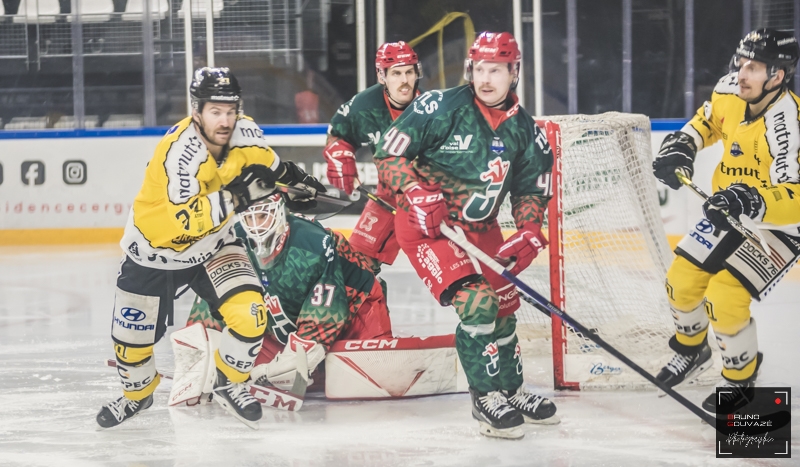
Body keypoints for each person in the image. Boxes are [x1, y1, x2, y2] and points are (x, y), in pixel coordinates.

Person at [96, 67, 325, 429]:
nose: (224, 120)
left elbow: (269, 163)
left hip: (213, 247)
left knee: (252, 316)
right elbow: (185, 221)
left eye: (230, 110)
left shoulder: (244, 131)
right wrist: (239, 195)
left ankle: (230, 382)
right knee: (130, 348)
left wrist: (301, 183)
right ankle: (137, 396)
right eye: (215, 111)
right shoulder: (180, 154)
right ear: (196, 111)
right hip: (153, 252)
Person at [372, 32, 558, 439]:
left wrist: (528, 229)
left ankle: (512, 389)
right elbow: (388, 153)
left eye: (496, 70)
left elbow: (530, 190)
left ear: (515, 73)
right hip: (426, 227)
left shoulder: (529, 132)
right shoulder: (440, 107)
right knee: (478, 304)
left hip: (481, 229)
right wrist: (414, 190)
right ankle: (485, 398)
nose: (485, 78)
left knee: (506, 308)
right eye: (479, 69)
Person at [652, 29, 800, 415]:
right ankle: (692, 349)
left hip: (776, 227)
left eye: (753, 67)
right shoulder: (731, 90)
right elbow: (708, 122)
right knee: (681, 283)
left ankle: (741, 382)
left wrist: (750, 200)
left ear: (779, 76)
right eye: (741, 62)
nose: (742, 73)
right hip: (729, 209)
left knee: (725, 297)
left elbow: (797, 197)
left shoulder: (789, 124)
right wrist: (683, 144)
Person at [185, 193, 393, 389]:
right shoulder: (232, 243)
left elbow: (325, 315)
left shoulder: (313, 245)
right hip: (285, 320)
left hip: (355, 305)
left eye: (263, 216)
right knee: (247, 367)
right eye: (249, 218)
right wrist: (199, 359)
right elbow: (214, 301)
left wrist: (290, 363)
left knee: (371, 372)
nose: (256, 226)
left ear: (278, 213)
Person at [323, 41, 422, 275]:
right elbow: (338, 134)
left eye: (409, 71)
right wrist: (339, 154)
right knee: (355, 270)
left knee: (466, 285)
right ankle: (373, 310)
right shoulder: (363, 106)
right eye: (396, 73)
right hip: (389, 198)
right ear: (382, 75)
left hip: (432, 199)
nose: (405, 80)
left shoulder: (433, 109)